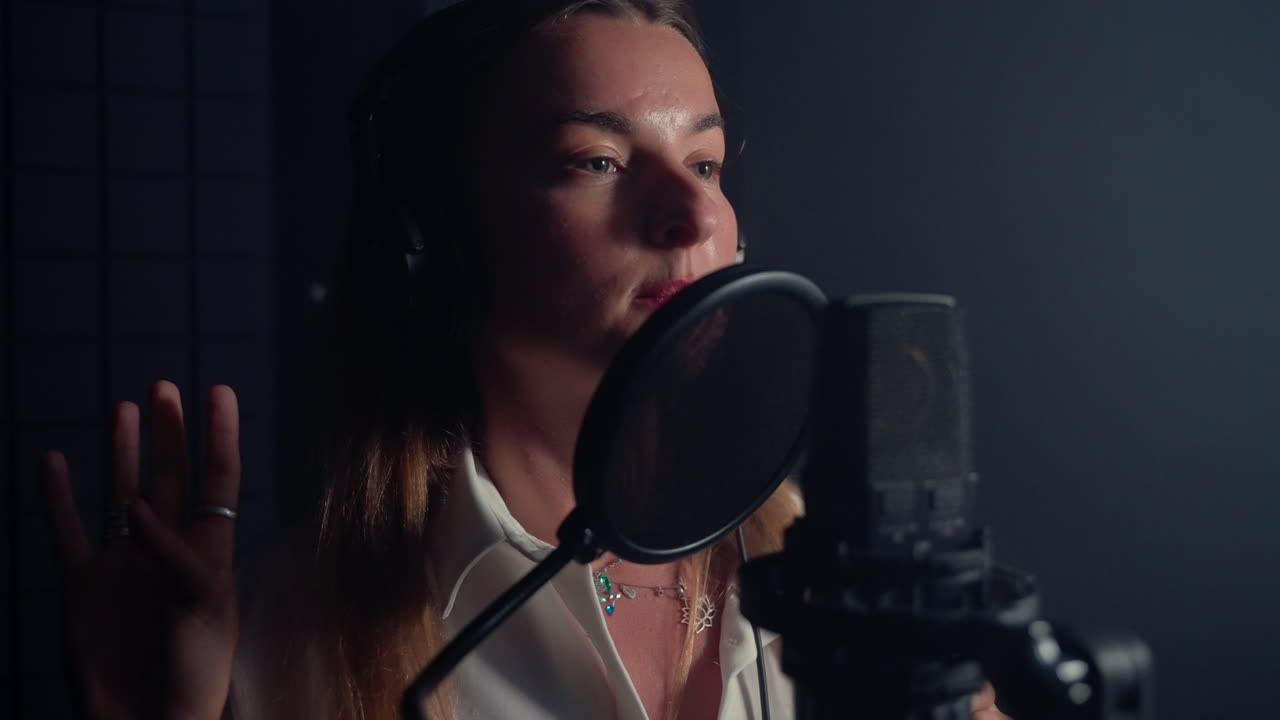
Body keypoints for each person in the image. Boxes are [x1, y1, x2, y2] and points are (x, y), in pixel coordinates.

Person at [39, 1, 1009, 719]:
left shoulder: (851, 582)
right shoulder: (286, 640)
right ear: (435, 242)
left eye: (706, 164)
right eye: (596, 160)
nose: (694, 212)